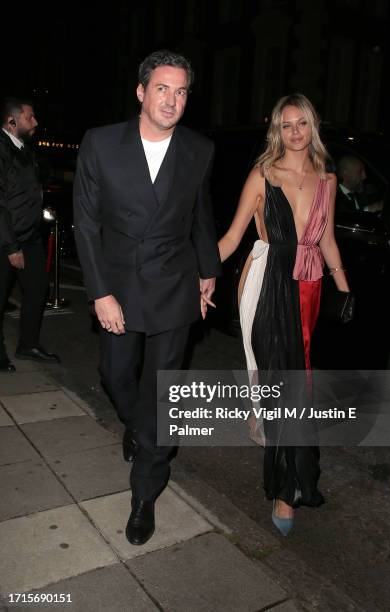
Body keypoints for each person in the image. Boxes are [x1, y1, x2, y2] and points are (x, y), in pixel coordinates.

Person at [73, 50, 221, 546]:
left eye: (181, 92)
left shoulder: (198, 150)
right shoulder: (101, 143)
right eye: (162, 88)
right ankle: (135, 424)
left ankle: (145, 493)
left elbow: (200, 217)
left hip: (175, 286)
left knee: (163, 395)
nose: (171, 100)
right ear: (141, 91)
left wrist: (209, 273)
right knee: (115, 375)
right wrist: (100, 293)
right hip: (117, 287)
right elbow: (87, 224)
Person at [217, 93, 350, 536]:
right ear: (277, 129)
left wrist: (344, 287)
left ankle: (290, 476)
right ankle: (283, 490)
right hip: (268, 287)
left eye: (303, 123)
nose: (295, 132)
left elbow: (327, 240)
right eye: (287, 124)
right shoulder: (262, 174)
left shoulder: (327, 181)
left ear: (313, 127)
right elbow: (233, 237)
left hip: (309, 289)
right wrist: (193, 274)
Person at [0, 97, 60, 373]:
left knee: (37, 288)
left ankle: (28, 344)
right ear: (12, 121)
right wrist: (11, 246)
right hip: (6, 239)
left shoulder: (24, 148)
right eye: (30, 117)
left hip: (30, 236)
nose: (35, 122)